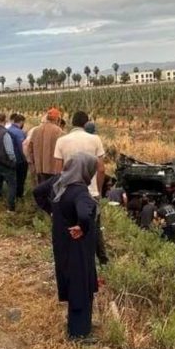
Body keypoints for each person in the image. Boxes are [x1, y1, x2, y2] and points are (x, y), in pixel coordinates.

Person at [33, 153, 99, 344]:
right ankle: (79, 333)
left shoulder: (58, 181)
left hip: (61, 241)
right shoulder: (80, 192)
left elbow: (37, 191)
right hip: (77, 245)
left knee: (71, 280)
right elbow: (85, 215)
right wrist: (82, 227)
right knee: (81, 283)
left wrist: (51, 211)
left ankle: (76, 325)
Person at [54, 111, 108, 265]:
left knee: (71, 228)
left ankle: (73, 261)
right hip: (90, 192)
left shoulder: (61, 141)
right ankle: (98, 261)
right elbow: (101, 169)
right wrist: (98, 190)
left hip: (68, 193)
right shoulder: (95, 139)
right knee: (93, 228)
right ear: (86, 124)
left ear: (72, 123)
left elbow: (58, 172)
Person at [27, 108, 63, 183]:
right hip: (53, 168)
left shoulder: (36, 130)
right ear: (57, 119)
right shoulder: (59, 131)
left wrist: (32, 162)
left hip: (39, 167)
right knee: (51, 190)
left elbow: (29, 149)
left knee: (41, 189)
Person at [7, 114, 29, 199]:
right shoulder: (19, 132)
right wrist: (26, 159)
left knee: (12, 179)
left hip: (9, 159)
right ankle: (19, 196)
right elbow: (22, 147)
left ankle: (11, 195)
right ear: (21, 122)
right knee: (20, 180)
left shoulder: (7, 130)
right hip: (19, 160)